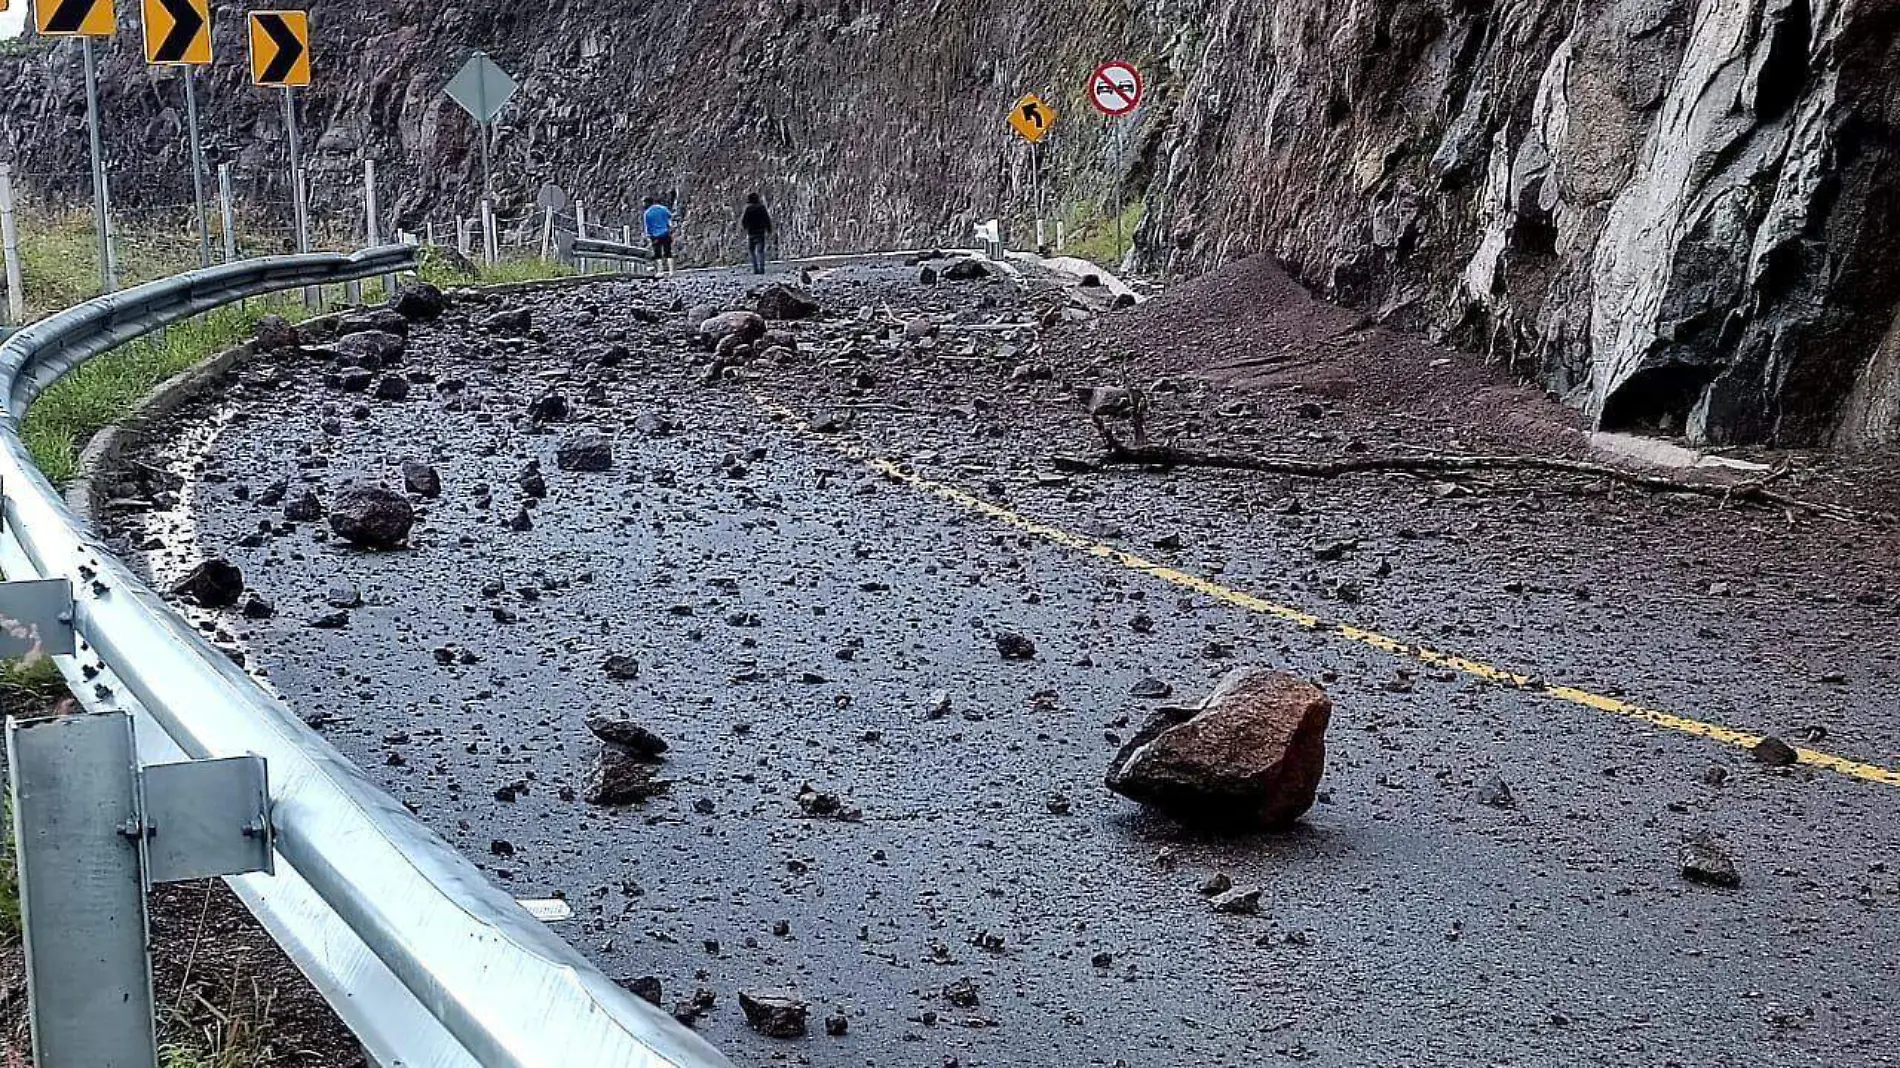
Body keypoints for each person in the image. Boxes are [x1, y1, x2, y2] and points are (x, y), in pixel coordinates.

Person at [741, 193, 773, 275]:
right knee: (760, 251)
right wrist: (769, 229)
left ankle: (755, 269)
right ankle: (762, 269)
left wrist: (745, 227)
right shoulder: (762, 207)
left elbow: (743, 221)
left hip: (751, 232)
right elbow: (767, 219)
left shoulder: (747, 208)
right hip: (761, 232)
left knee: (752, 252)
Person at [643, 197, 675, 275]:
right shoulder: (663, 208)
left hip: (655, 236)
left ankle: (661, 271)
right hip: (665, 233)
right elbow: (670, 216)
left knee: (658, 254)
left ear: (647, 203)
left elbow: (648, 227)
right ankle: (671, 271)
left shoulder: (647, 213)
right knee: (668, 252)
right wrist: (669, 226)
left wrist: (648, 236)